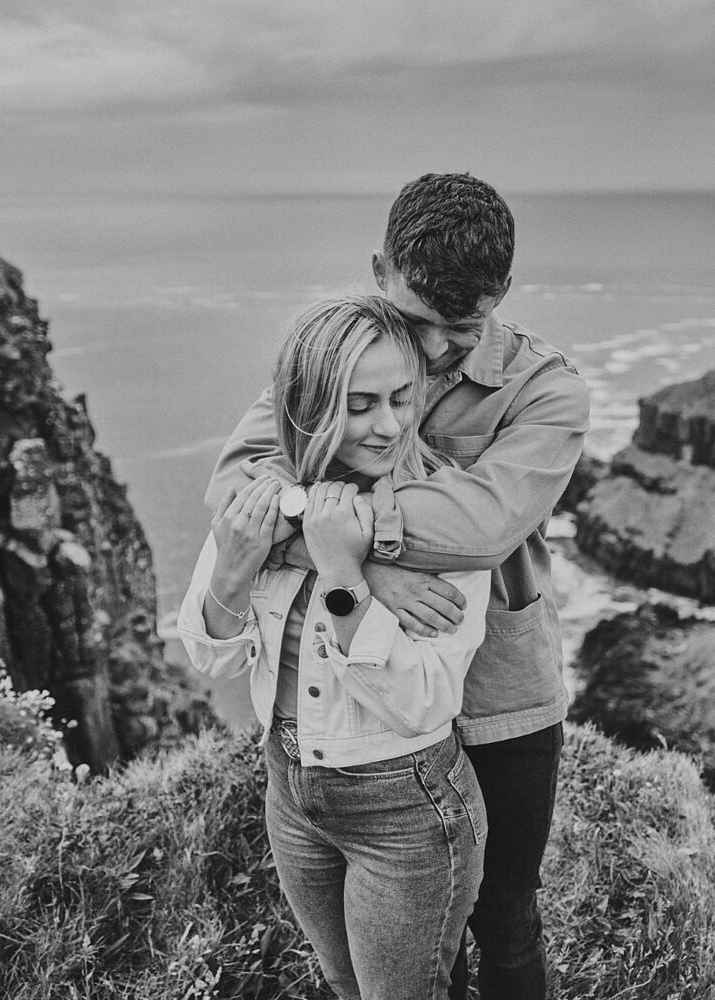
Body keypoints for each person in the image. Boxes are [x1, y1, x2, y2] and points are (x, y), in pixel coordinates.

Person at [206, 173, 590, 1000]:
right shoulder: (343, 353)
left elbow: (486, 525)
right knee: (417, 942)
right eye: (422, 322)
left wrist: (338, 532)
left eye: (466, 325)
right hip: (369, 703)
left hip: (499, 688)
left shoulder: (547, 390)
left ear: (505, 294)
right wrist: (356, 558)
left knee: (507, 919)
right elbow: (236, 482)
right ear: (381, 270)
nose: (442, 347)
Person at [178, 295, 490, 1000]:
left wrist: (346, 574)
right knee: (344, 985)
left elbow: (424, 701)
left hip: (406, 807)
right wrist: (233, 562)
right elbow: (212, 655)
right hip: (290, 788)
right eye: (359, 404)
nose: (387, 425)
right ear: (308, 407)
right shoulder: (262, 499)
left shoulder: (447, 516)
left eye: (402, 398)